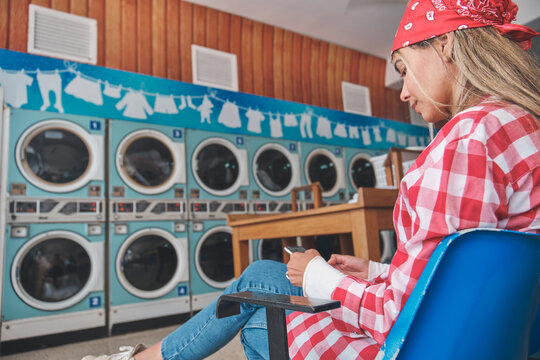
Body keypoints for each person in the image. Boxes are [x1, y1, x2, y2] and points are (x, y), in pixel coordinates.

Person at [83, 0, 540, 359]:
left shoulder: (465, 141)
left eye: (402, 69)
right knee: (265, 274)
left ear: (444, 45)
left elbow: (401, 317)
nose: (402, 91)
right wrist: (379, 271)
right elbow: (470, 274)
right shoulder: (522, 125)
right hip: (492, 338)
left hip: (416, 347)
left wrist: (319, 276)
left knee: (258, 302)